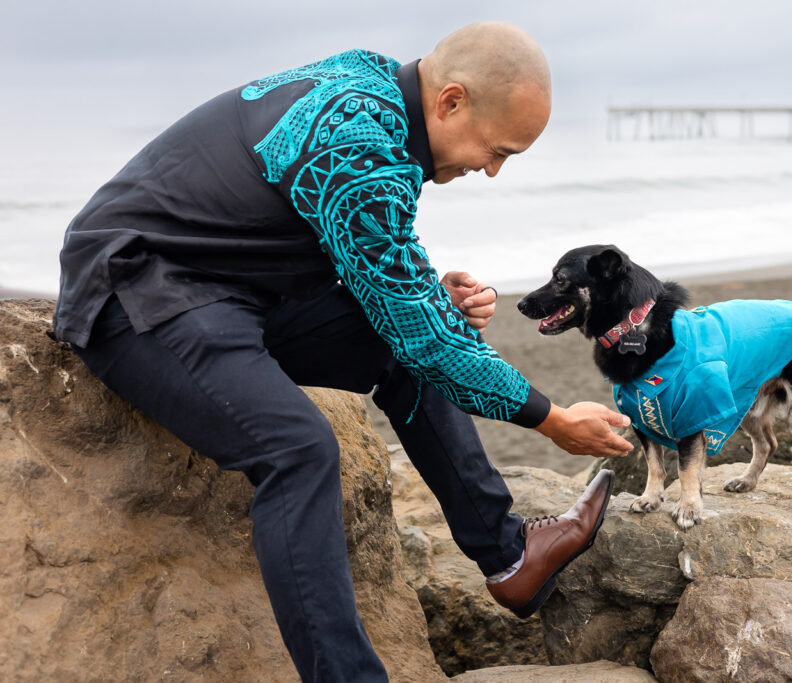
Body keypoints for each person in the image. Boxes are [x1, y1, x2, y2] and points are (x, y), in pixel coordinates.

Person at [54, 21, 632, 682]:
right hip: (140, 287)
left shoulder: (381, 92)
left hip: (240, 290)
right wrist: (552, 417)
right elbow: (425, 336)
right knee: (299, 448)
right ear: (450, 102)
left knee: (413, 336)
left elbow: (372, 273)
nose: (492, 171)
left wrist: (424, 296)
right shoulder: (362, 138)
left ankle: (511, 556)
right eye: (498, 149)